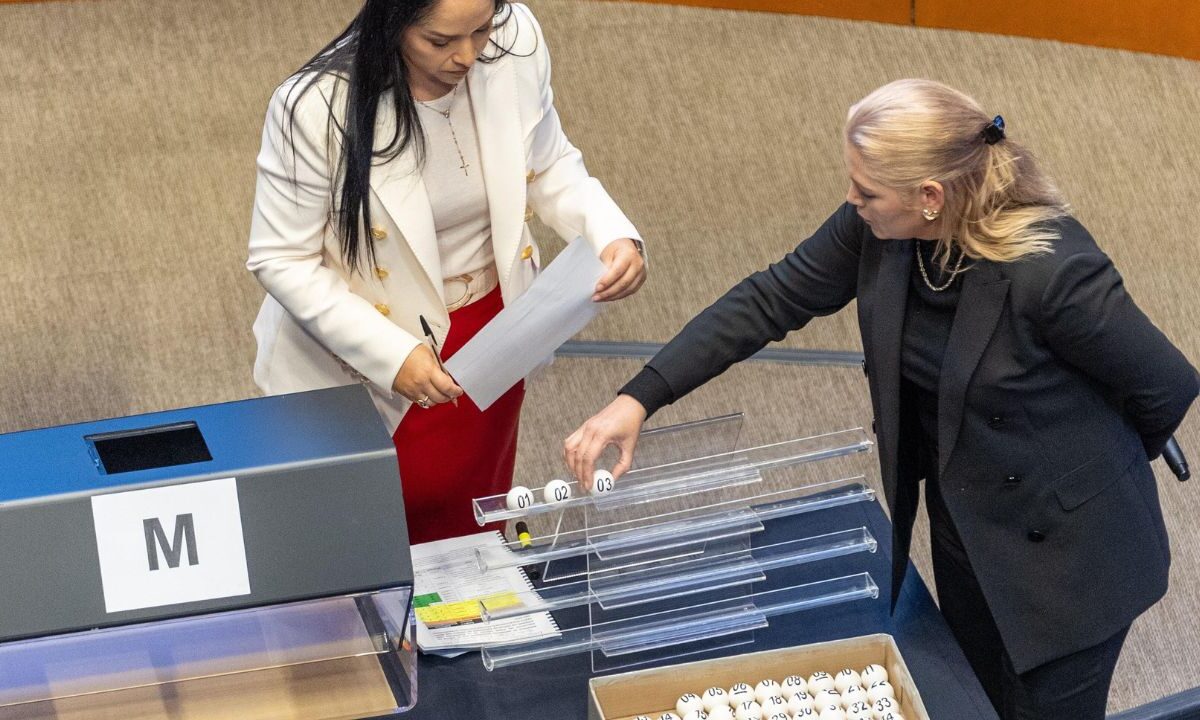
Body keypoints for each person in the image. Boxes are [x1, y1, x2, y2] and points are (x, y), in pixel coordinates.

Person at [564, 79, 1197, 719]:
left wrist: (1084, 476)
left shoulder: (1054, 269)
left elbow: (1166, 385)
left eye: (866, 191)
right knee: (973, 703)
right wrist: (638, 398)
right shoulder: (878, 230)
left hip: (1071, 564)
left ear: (930, 197)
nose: (850, 199)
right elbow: (769, 299)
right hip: (969, 530)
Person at [247, 0, 645, 545]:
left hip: (490, 330)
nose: (466, 55)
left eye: (480, 30)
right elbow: (280, 258)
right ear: (393, 21)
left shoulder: (515, 37)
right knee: (358, 533)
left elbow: (547, 163)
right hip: (366, 344)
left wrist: (609, 231)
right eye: (439, 41)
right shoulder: (314, 105)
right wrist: (392, 355)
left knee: (470, 518)